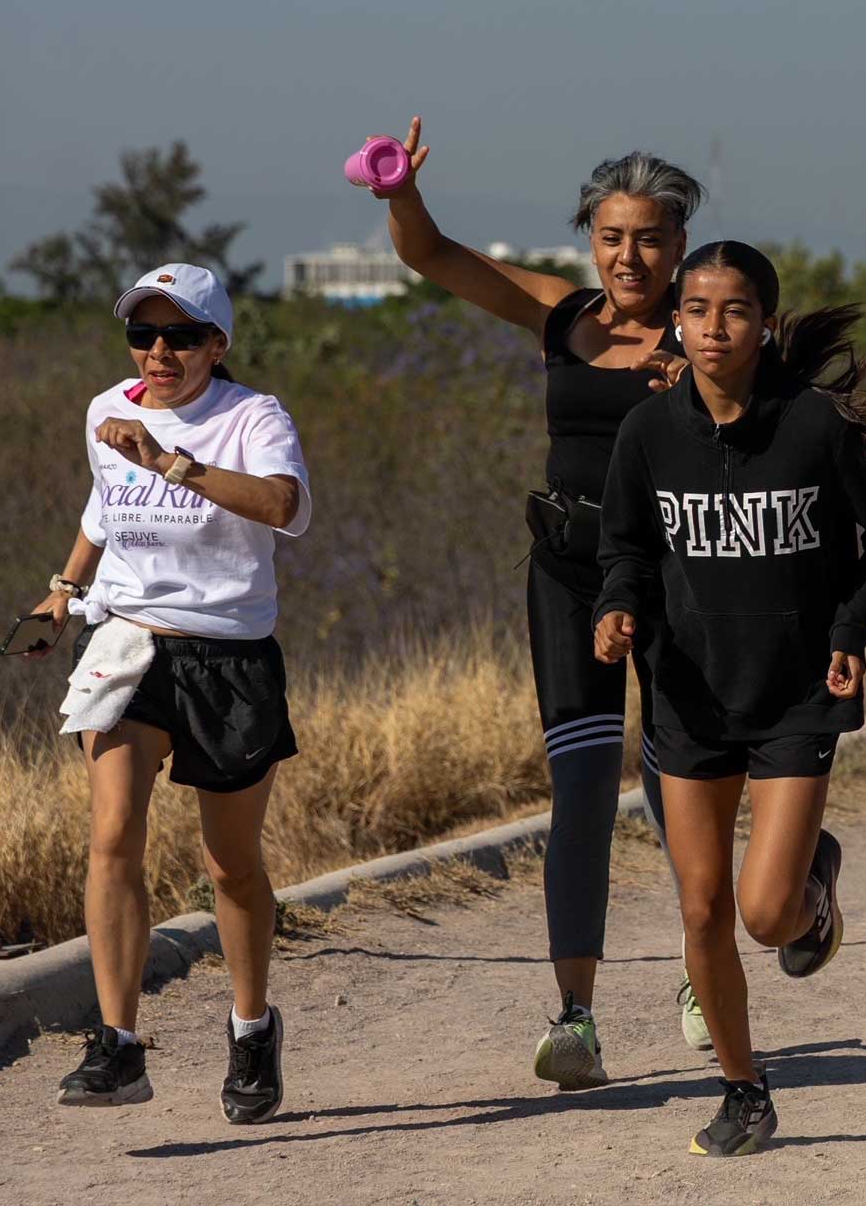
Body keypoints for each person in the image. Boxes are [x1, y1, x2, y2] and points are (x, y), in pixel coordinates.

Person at [361, 122, 696, 1081]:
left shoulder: (706, 328)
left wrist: (706, 387)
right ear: (589, 239)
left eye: (649, 239)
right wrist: (400, 194)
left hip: (673, 580)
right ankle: (575, 1018)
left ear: (679, 245)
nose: (629, 256)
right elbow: (432, 256)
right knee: (580, 786)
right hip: (567, 573)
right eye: (611, 236)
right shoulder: (561, 314)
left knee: (678, 788)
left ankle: (703, 973)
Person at [591, 242, 866, 1157]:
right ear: (675, 321)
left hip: (796, 693)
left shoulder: (816, 426)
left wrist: (849, 630)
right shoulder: (647, 433)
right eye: (696, 309)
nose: (713, 327)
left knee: (767, 916)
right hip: (687, 692)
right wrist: (616, 608)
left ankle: (814, 880)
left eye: (734, 310)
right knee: (702, 910)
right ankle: (743, 1090)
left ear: (765, 323)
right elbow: (625, 548)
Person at [41, 264, 310, 1122]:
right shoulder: (105, 409)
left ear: (216, 345)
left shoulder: (253, 417)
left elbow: (283, 505)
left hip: (228, 657)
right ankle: (118, 1044)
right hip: (126, 644)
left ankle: (252, 1026)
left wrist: (172, 463)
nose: (159, 352)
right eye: (143, 335)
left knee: (231, 866)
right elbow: (104, 500)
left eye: (181, 336)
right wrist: (64, 587)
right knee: (113, 834)